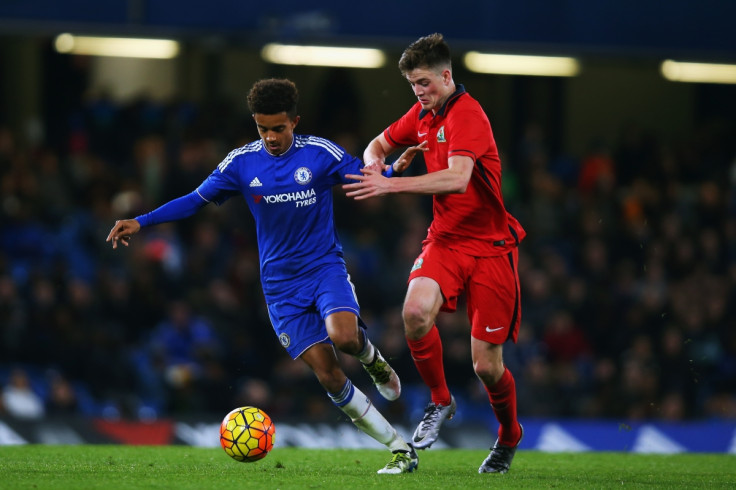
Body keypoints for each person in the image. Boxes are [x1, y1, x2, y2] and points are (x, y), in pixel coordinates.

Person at [107, 78, 418, 474]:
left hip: (323, 267)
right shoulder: (241, 163)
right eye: (262, 128)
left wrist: (391, 171)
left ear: (295, 122)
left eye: (278, 128)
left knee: (345, 337)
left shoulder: (321, 153)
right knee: (328, 373)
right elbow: (195, 200)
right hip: (279, 286)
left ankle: (371, 357)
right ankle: (399, 448)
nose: (270, 137)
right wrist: (143, 220)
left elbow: (364, 178)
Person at [343, 33, 526, 474]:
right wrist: (378, 166)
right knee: (414, 313)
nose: (418, 92)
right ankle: (440, 401)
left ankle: (508, 436)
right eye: (412, 85)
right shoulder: (424, 114)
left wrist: (390, 185)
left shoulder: (469, 115)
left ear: (447, 75)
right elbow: (378, 143)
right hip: (445, 239)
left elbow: (458, 178)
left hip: (491, 248)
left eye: (423, 82)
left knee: (486, 366)